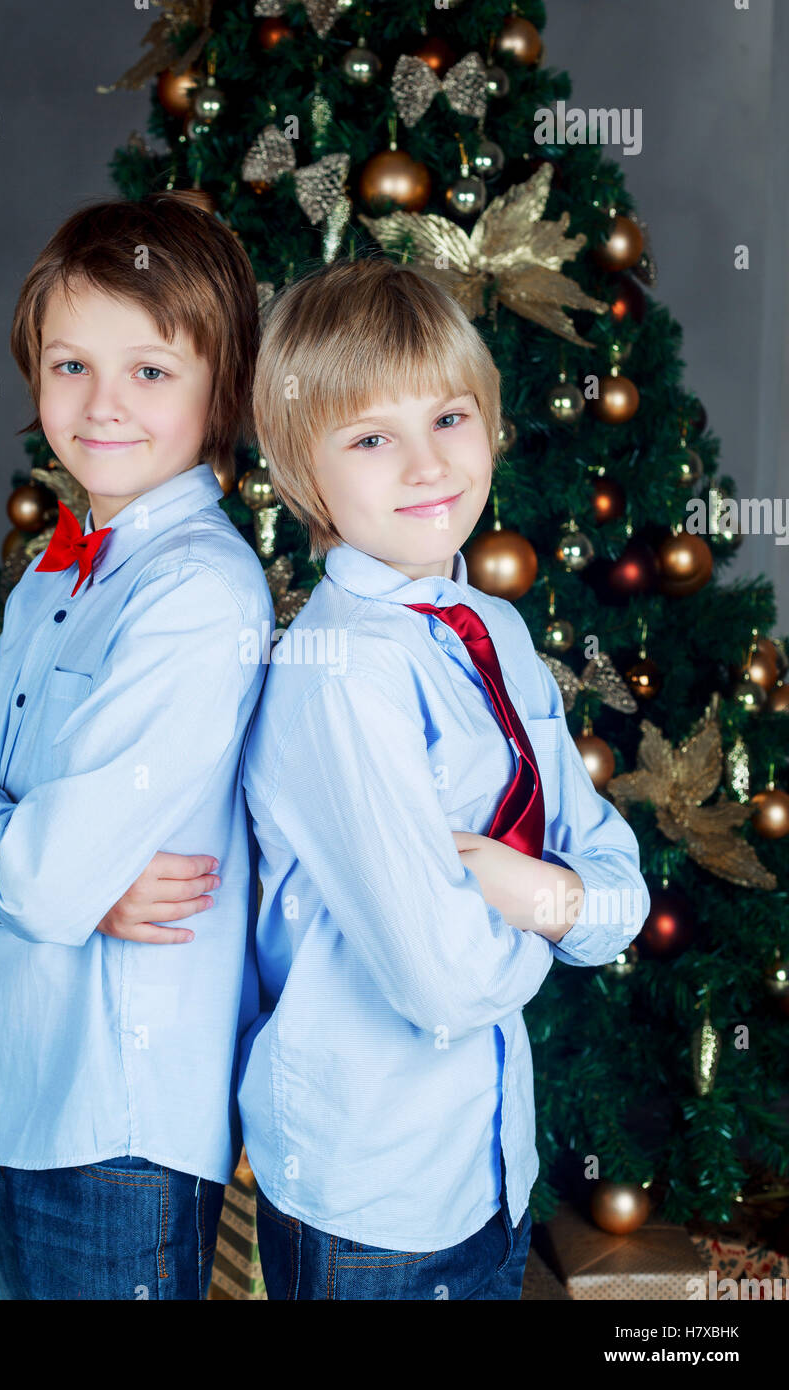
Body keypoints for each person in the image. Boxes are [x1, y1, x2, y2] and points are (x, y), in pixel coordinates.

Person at [239, 256, 650, 1300]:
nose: (425, 466)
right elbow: (443, 983)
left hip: (488, 1165)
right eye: (371, 438)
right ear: (302, 472)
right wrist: (567, 910)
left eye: (449, 418)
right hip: (372, 1196)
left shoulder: (495, 631)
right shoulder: (338, 674)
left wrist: (529, 890)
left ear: (493, 425)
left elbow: (616, 885)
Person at [0, 194, 273, 1300]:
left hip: (117, 1129)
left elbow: (16, 859)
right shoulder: (52, 577)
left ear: (224, 388)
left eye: (149, 370)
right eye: (70, 365)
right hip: (20, 1101)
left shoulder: (197, 591)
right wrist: (8, 847)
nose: (101, 404)